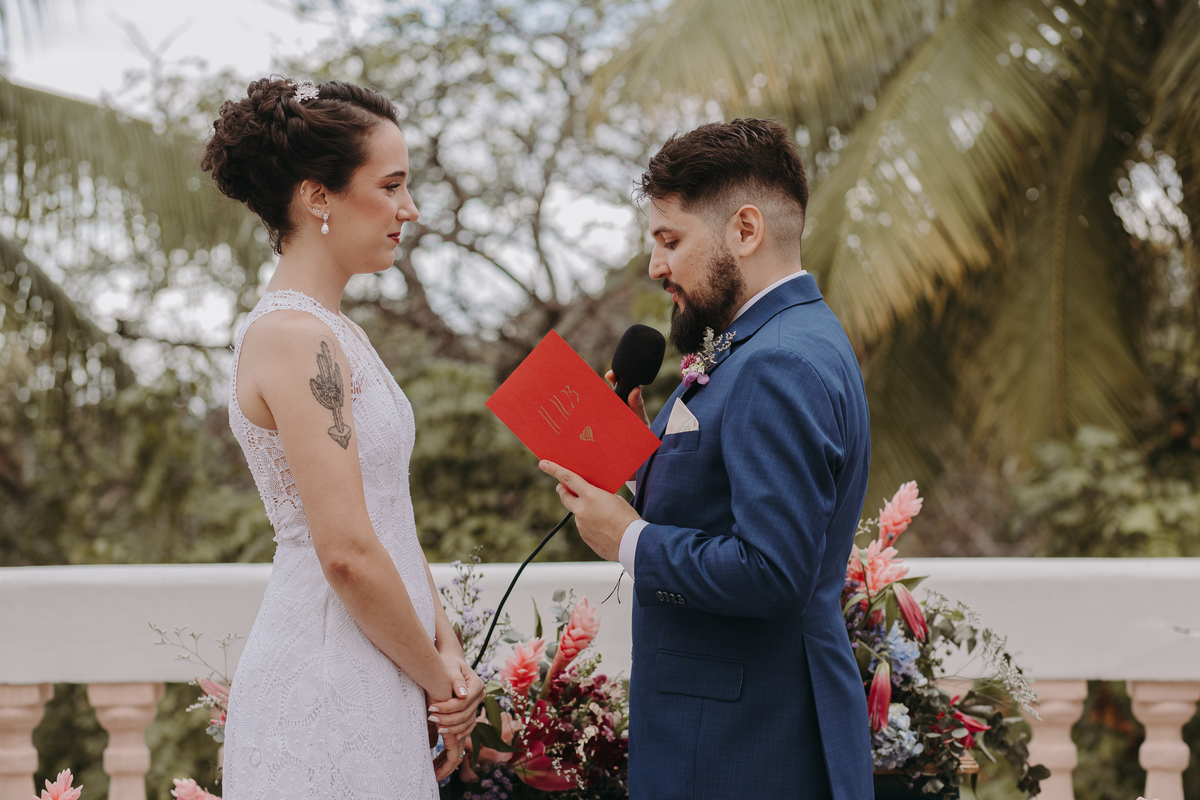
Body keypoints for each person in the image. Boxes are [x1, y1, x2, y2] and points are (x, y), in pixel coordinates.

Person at [540, 119, 873, 799]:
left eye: (670, 241)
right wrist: (640, 462)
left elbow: (773, 573)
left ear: (744, 231)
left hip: (747, 747)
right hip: (733, 732)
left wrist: (627, 539)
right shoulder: (769, 338)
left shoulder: (777, 360)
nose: (656, 266)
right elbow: (731, 492)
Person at [202, 77, 483, 800]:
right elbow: (349, 552)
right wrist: (440, 684)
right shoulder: (294, 337)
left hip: (382, 663)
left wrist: (445, 650)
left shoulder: (337, 332)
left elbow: (391, 513)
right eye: (390, 186)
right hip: (326, 677)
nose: (408, 210)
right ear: (317, 196)